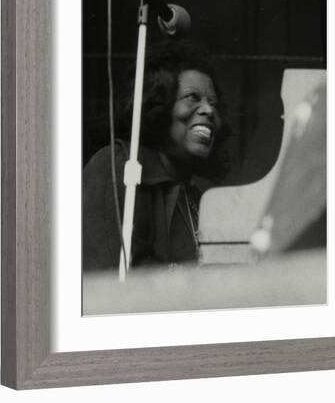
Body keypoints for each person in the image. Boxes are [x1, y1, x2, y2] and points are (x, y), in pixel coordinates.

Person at [83, 38, 229, 271]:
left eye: (213, 103)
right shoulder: (117, 164)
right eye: (192, 97)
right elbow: (115, 279)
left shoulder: (194, 193)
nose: (209, 110)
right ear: (160, 105)